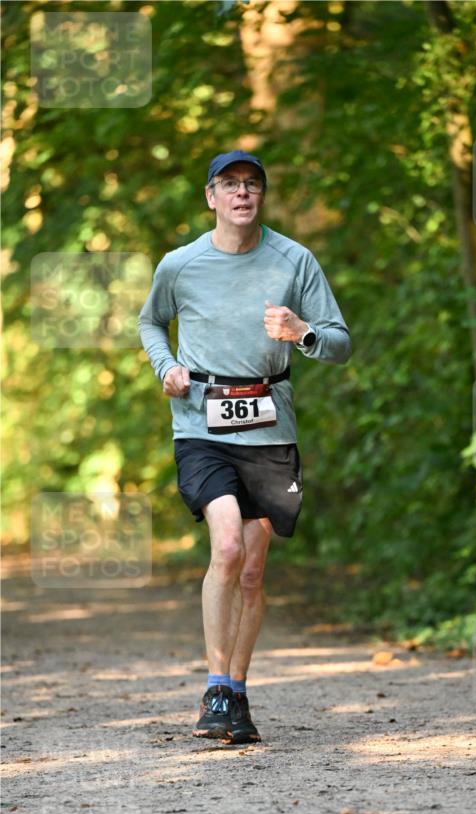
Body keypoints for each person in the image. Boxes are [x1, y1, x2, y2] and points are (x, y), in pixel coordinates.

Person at [138, 150, 351, 745]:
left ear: (262, 195)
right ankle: (214, 689)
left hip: (269, 430)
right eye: (229, 184)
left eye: (252, 184)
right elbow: (151, 322)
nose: (241, 193)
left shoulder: (294, 260)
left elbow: (339, 343)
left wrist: (302, 332)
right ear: (211, 197)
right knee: (227, 546)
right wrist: (166, 367)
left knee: (253, 573)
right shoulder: (181, 264)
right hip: (200, 426)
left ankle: (236, 690)